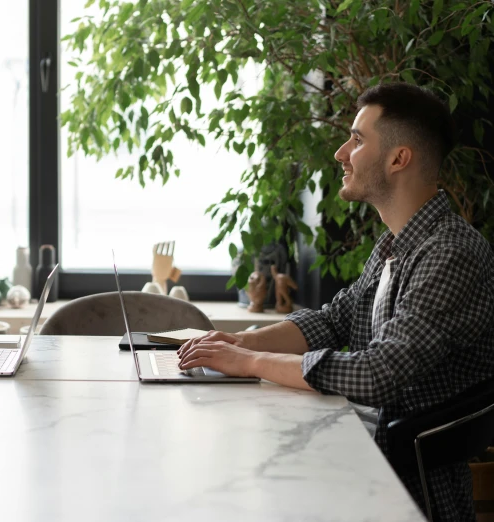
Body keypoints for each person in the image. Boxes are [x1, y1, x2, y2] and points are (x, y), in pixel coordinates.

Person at [178, 82, 494, 521]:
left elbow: (377, 373)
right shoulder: (395, 244)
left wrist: (250, 363)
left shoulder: (450, 254)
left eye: (358, 139)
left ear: (399, 158)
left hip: (406, 489)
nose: (341, 153)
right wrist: (238, 345)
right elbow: (334, 320)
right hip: (363, 457)